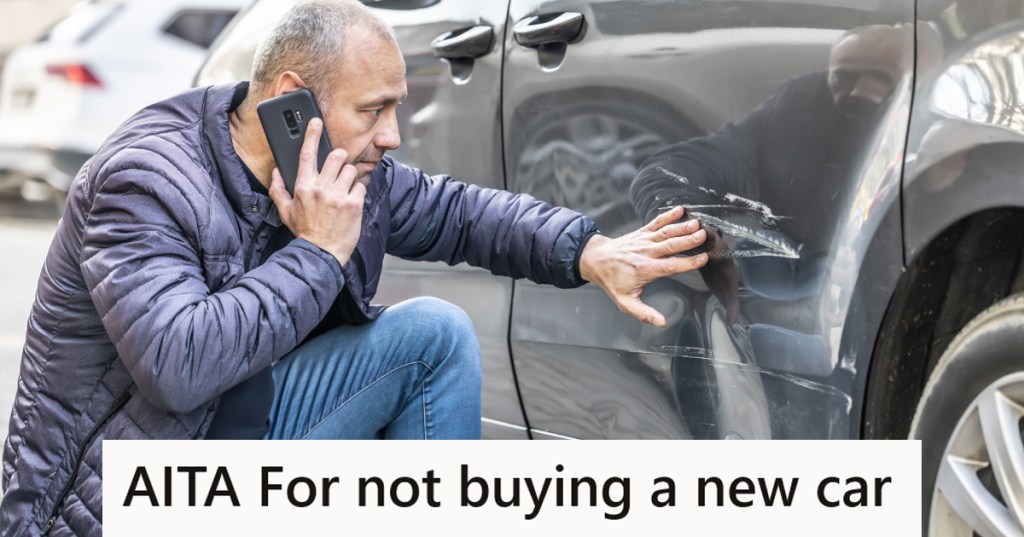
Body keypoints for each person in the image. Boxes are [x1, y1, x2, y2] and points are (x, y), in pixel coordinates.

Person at [0, 1, 709, 535]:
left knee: (433, 335)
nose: (392, 136)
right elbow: (178, 368)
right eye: (373, 111)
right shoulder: (147, 180)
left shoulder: (339, 170)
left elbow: (460, 214)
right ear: (291, 100)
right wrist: (317, 252)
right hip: (116, 498)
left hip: (237, 430)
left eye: (395, 109)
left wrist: (587, 252)